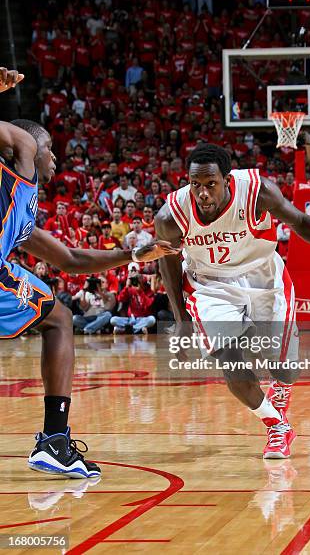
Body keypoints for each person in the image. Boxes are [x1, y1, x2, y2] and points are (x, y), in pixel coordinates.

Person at [0, 66, 179, 479]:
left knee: (57, 317)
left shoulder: (17, 209)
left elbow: (70, 260)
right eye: (49, 149)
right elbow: (17, 135)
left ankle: (54, 441)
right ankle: (54, 441)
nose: (55, 157)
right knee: (60, 319)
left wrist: (133, 255)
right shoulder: (21, 151)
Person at [155, 143, 310, 459]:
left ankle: (281, 393)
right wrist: (181, 320)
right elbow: (168, 265)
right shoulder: (170, 217)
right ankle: (276, 425)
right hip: (209, 286)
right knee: (230, 365)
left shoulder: (258, 192)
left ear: (227, 180)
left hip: (264, 277)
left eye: (210, 185)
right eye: (195, 185)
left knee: (285, 367)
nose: (202, 193)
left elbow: (299, 221)